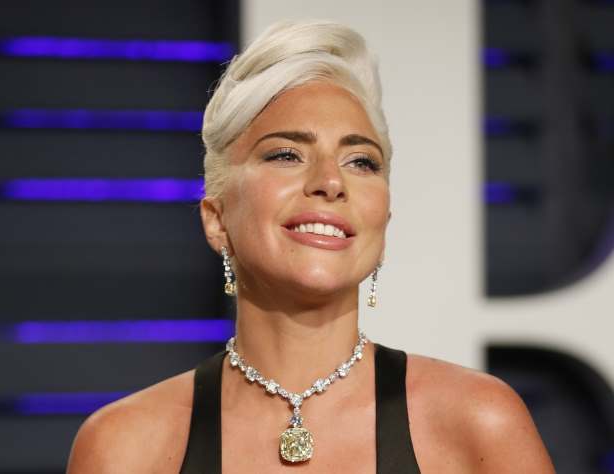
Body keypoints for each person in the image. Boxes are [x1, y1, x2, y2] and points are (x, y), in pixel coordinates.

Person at [66, 20, 556, 473]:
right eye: (286, 154)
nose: (330, 182)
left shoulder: (479, 422)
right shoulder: (125, 447)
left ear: (383, 225)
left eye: (361, 161)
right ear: (216, 219)